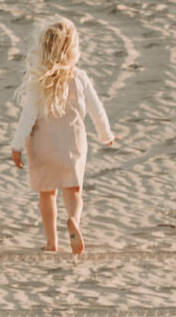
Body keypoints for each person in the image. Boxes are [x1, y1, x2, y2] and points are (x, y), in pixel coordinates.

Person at [9, 18, 115, 255]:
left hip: (43, 145)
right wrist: (105, 133)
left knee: (47, 193)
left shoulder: (40, 81)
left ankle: (51, 242)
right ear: (73, 49)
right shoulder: (80, 77)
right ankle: (74, 220)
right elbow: (97, 109)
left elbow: (27, 117)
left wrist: (17, 145)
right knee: (73, 190)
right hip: (73, 144)